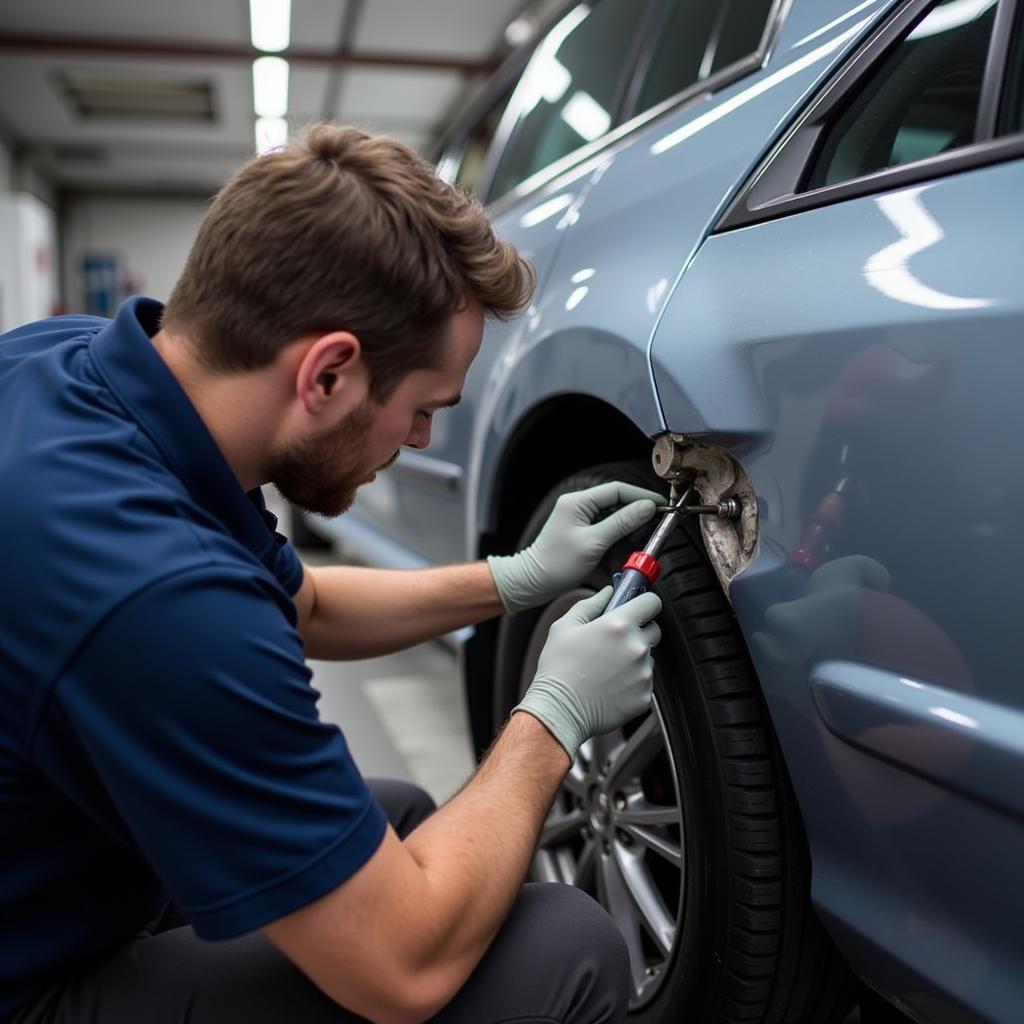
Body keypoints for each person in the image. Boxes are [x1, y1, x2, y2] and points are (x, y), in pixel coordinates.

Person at [0, 124, 666, 1024]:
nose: (424, 441)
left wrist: (513, 579)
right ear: (330, 373)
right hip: (28, 981)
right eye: (422, 409)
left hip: (44, 867)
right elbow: (404, 970)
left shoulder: (69, 365)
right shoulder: (158, 596)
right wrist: (553, 716)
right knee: (563, 949)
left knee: (397, 816)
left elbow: (303, 601)